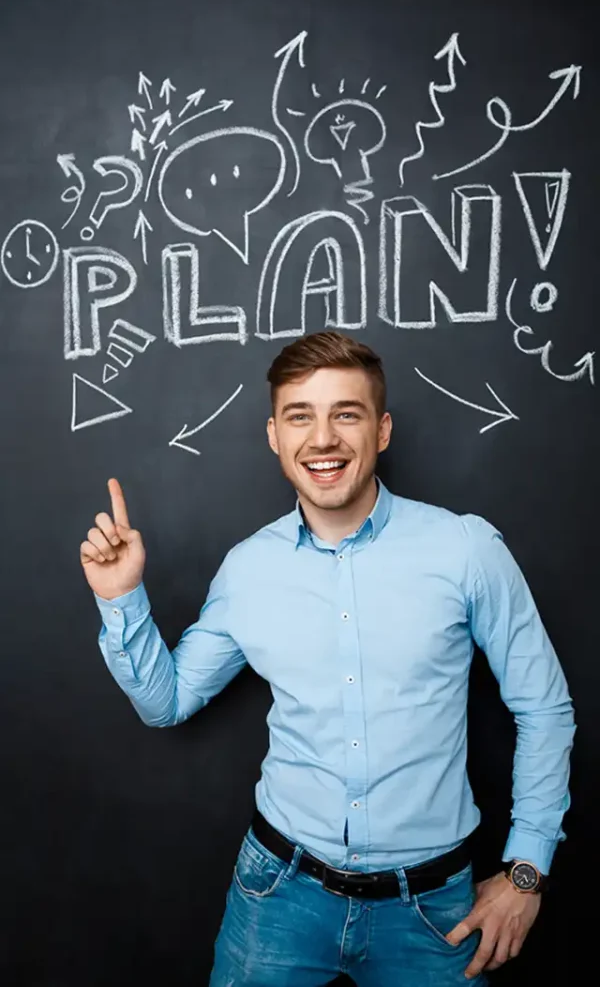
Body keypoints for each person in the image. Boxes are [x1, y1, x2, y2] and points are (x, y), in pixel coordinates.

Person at [80, 331, 575, 987]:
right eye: (300, 416)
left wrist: (527, 872)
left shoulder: (466, 550)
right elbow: (166, 702)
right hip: (278, 896)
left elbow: (544, 708)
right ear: (274, 437)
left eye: (347, 413)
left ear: (383, 428)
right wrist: (121, 600)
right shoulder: (248, 568)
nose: (323, 438)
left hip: (431, 910)